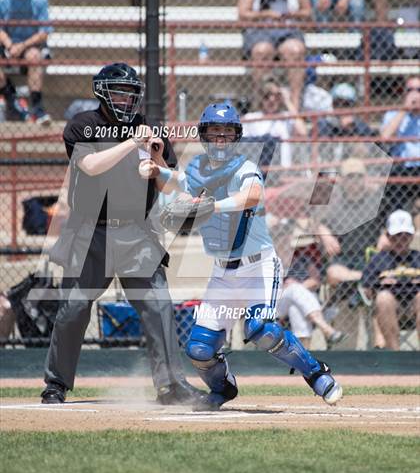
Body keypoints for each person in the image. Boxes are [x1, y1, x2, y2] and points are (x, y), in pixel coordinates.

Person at [139, 103, 343, 411]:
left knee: (261, 330)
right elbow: (172, 183)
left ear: (236, 137)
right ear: (204, 136)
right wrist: (155, 161)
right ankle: (223, 388)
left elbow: (252, 195)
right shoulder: (196, 167)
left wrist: (210, 206)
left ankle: (316, 373)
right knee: (198, 348)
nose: (220, 139)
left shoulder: (244, 166)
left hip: (258, 265)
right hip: (223, 273)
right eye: (214, 133)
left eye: (227, 133)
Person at [40, 62, 203, 406]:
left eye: (131, 94)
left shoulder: (149, 130)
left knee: (158, 305)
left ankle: (170, 384)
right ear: (102, 92)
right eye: (118, 92)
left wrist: (157, 163)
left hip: (134, 231)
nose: (126, 100)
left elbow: (170, 184)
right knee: (73, 308)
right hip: (89, 231)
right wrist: (132, 144)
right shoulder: (84, 126)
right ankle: (56, 383)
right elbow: (91, 165)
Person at [237, 0, 311, 110]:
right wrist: (265, 15)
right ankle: (260, 103)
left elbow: (307, 12)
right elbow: (242, 13)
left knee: (295, 50)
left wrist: (292, 15)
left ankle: (295, 106)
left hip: (288, 32)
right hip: (261, 32)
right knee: (262, 51)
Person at [318, 158, 385, 294]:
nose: (354, 181)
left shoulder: (375, 202)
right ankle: (361, 278)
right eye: (350, 177)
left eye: (358, 176)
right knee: (333, 273)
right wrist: (325, 234)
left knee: (384, 270)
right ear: (342, 180)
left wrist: (385, 235)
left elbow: (389, 223)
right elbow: (319, 223)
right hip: (344, 258)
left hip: (369, 257)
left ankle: (358, 279)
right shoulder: (336, 204)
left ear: (365, 178)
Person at [0, 0, 52, 124]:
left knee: (34, 56)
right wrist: (9, 45)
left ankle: (37, 109)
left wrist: (21, 45)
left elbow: (44, 33)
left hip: (29, 45)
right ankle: (12, 102)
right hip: (9, 44)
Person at [361, 210, 420, 349]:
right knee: (384, 298)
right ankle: (395, 353)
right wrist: (380, 284)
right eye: (396, 236)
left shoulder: (418, 257)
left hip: (415, 307)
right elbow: (366, 287)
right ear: (388, 236)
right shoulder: (379, 259)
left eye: (405, 236)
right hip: (390, 309)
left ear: (412, 237)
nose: (400, 240)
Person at [242, 75, 307, 168]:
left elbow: (302, 132)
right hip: (258, 171)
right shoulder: (251, 118)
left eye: (276, 96)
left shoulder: (286, 116)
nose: (271, 100)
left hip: (281, 170)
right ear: (261, 97)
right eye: (266, 96)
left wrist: (287, 101)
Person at [381, 76, 420, 210]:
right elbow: (385, 137)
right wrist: (405, 109)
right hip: (401, 168)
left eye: (419, 90)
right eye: (410, 90)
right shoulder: (393, 115)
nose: (415, 94)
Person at [317, 83, 377, 162]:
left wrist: (351, 130)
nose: (342, 108)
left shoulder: (360, 126)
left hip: (352, 167)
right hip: (328, 165)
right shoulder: (324, 124)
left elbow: (369, 154)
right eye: (337, 103)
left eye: (346, 104)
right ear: (333, 105)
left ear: (352, 106)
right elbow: (319, 151)